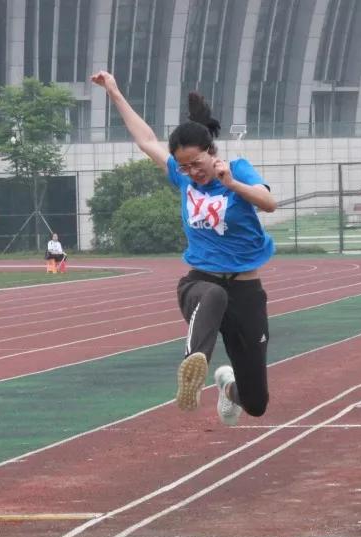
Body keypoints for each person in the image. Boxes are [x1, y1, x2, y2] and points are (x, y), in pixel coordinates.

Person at [91, 71, 277, 425]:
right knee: (214, 294)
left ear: (211, 151)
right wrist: (113, 90)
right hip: (200, 283)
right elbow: (146, 140)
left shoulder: (238, 170)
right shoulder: (182, 177)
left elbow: (269, 203)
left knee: (256, 403)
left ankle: (228, 387)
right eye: (184, 167)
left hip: (246, 291)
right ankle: (194, 364)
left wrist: (232, 184)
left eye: (197, 164)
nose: (192, 172)